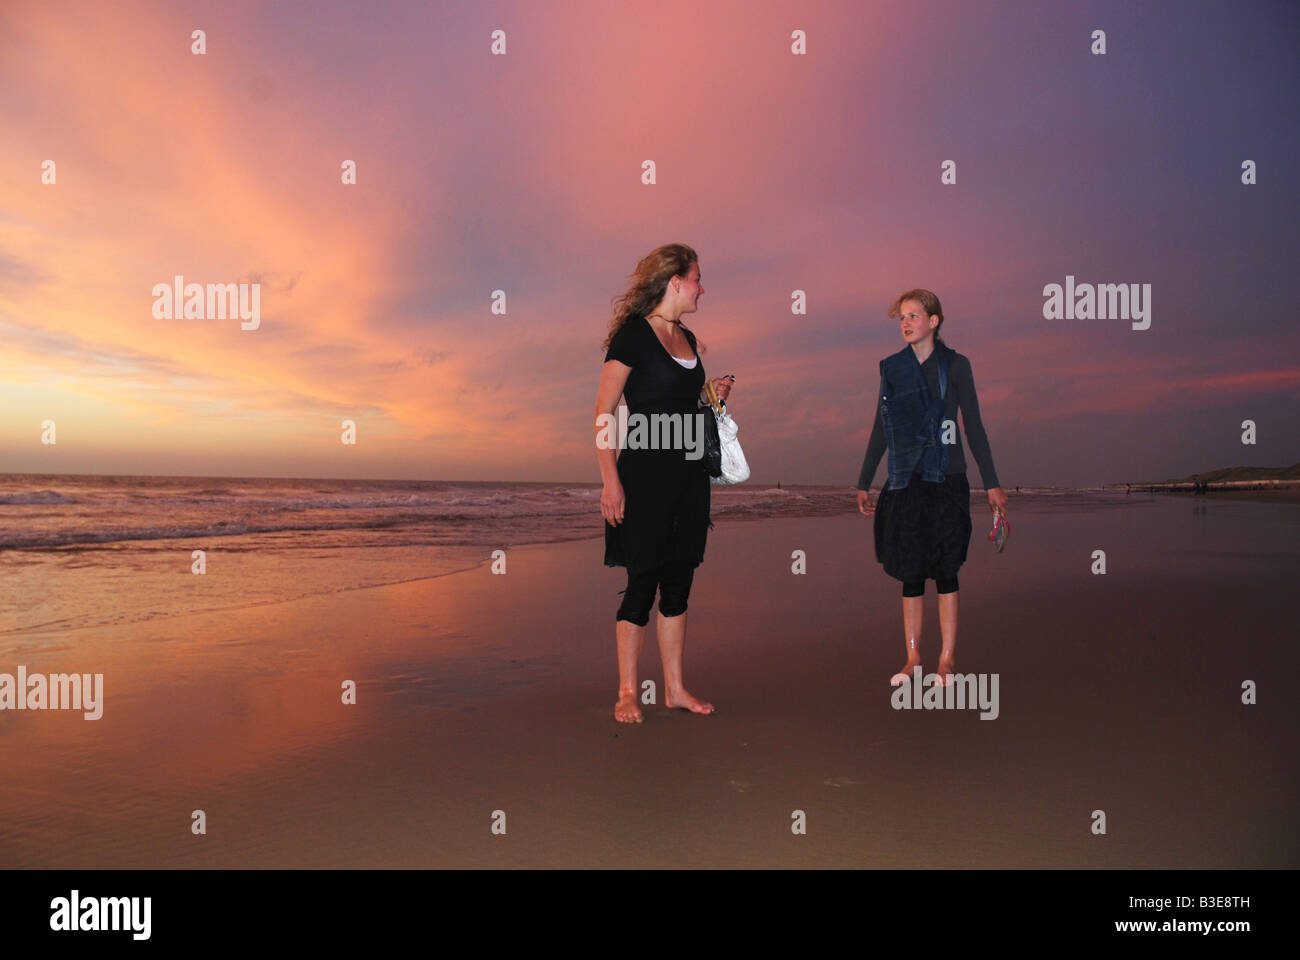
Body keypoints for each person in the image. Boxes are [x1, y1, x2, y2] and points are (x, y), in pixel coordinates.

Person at [595, 243, 734, 724]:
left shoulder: (689, 340)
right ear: (674, 280)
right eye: (696, 277)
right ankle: (628, 691)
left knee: (680, 581)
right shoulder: (634, 337)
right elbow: (603, 413)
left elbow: (685, 404)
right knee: (642, 582)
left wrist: (712, 396)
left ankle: (674, 688)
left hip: (691, 476)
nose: (701, 287)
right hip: (645, 477)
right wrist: (610, 480)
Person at [856, 289, 1008, 687]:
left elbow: (973, 426)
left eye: (913, 316)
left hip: (948, 478)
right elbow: (881, 427)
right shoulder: (892, 368)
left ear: (934, 321)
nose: (906, 323)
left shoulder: (955, 366)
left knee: (946, 570)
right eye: (901, 318)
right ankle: (912, 658)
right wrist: (864, 479)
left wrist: (991, 483)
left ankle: (946, 660)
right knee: (910, 572)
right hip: (906, 478)